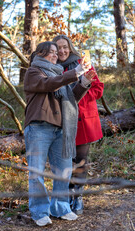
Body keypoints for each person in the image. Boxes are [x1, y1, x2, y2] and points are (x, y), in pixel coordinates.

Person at [24, 41, 96, 227]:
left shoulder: (59, 75)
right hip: (39, 127)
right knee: (37, 172)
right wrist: (75, 73)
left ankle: (61, 207)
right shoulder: (33, 72)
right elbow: (48, 85)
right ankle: (39, 211)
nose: (56, 55)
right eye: (51, 52)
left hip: (60, 129)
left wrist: (85, 81)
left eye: (57, 52)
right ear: (40, 54)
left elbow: (71, 99)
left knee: (63, 171)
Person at [53, 35, 104, 215]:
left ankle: (78, 196)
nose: (62, 51)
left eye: (65, 47)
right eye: (58, 47)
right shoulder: (52, 67)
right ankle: (65, 196)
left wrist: (78, 97)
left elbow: (98, 89)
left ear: (70, 47)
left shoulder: (83, 62)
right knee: (65, 161)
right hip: (63, 121)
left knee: (81, 160)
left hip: (83, 120)